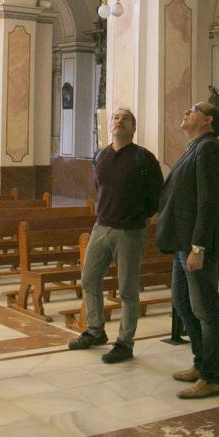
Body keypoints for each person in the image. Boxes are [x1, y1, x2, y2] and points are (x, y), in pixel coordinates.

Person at [67, 107, 163, 364]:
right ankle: (95, 330)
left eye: (126, 119)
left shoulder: (143, 158)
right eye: (116, 118)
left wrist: (144, 217)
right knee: (89, 278)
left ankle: (125, 343)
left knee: (128, 290)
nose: (120, 122)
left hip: (130, 231)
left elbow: (157, 193)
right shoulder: (101, 156)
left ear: (134, 128)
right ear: (110, 126)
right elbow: (100, 188)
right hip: (102, 226)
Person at [156, 101, 219, 399]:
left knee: (206, 311)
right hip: (181, 243)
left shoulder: (209, 149)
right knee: (183, 303)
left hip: (196, 246)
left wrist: (198, 247)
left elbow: (209, 202)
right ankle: (200, 364)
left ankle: (212, 377)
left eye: (194, 109)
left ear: (208, 120)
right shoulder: (195, 147)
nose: (186, 112)